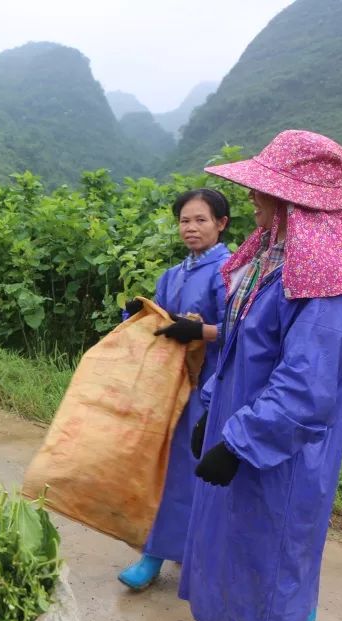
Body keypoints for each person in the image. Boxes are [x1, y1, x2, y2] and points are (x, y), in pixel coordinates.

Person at [178, 130, 342, 621]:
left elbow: (306, 388)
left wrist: (239, 440)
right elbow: (239, 348)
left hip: (282, 450)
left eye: (264, 192)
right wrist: (211, 409)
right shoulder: (273, 263)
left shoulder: (322, 284)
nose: (254, 200)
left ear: (294, 204)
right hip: (254, 433)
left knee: (270, 560)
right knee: (270, 554)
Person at [117, 188, 232, 591]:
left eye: (201, 219)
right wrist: (137, 314)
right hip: (172, 385)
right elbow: (161, 323)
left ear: (221, 223)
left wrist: (200, 331)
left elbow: (243, 331)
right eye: (185, 220)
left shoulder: (229, 272)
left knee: (194, 470)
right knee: (166, 466)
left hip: (211, 387)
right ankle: (166, 548)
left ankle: (171, 553)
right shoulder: (173, 274)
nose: (191, 228)